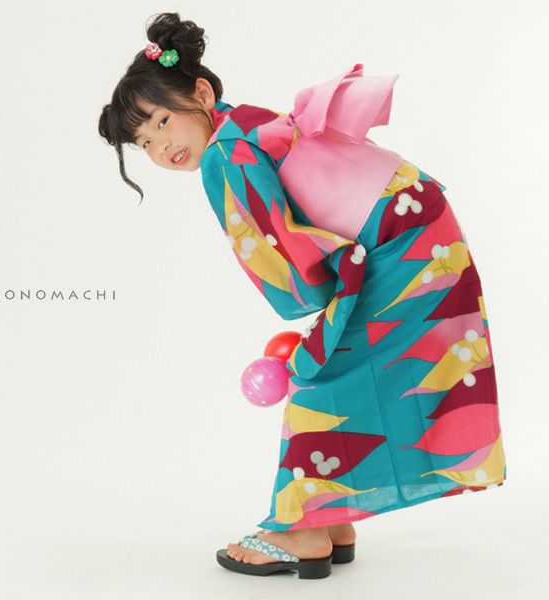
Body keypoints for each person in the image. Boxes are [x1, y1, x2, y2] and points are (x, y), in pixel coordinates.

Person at [98, 12, 507, 580]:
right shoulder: (241, 124)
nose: (160, 145)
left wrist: (317, 302)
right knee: (346, 366)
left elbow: (282, 255)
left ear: (202, 93)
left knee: (322, 373)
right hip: (415, 218)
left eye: (162, 121)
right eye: (144, 142)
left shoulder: (224, 153)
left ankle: (302, 528)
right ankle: (332, 516)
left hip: (397, 237)